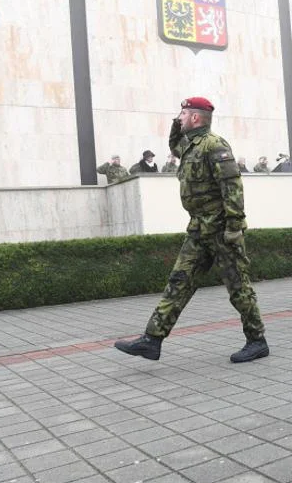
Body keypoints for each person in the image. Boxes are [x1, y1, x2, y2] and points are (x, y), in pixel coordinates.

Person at [114, 97, 268, 363]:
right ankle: (152, 340)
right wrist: (176, 125)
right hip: (198, 229)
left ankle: (257, 341)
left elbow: (232, 188)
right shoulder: (190, 146)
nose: (179, 117)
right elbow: (175, 145)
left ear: (196, 118)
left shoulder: (214, 145)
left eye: (183, 114)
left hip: (221, 230)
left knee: (238, 288)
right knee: (179, 282)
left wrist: (233, 227)